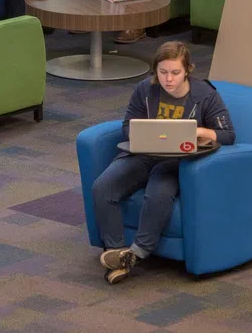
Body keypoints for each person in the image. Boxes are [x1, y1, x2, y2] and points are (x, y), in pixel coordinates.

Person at [91, 41, 235, 284]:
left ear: (188, 69)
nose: (169, 79)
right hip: (144, 154)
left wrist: (199, 131)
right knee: (102, 188)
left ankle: (137, 253)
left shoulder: (206, 96)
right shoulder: (144, 90)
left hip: (177, 162)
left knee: (158, 190)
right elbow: (127, 128)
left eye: (175, 73)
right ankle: (116, 253)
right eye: (163, 72)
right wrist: (144, 134)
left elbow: (228, 136)